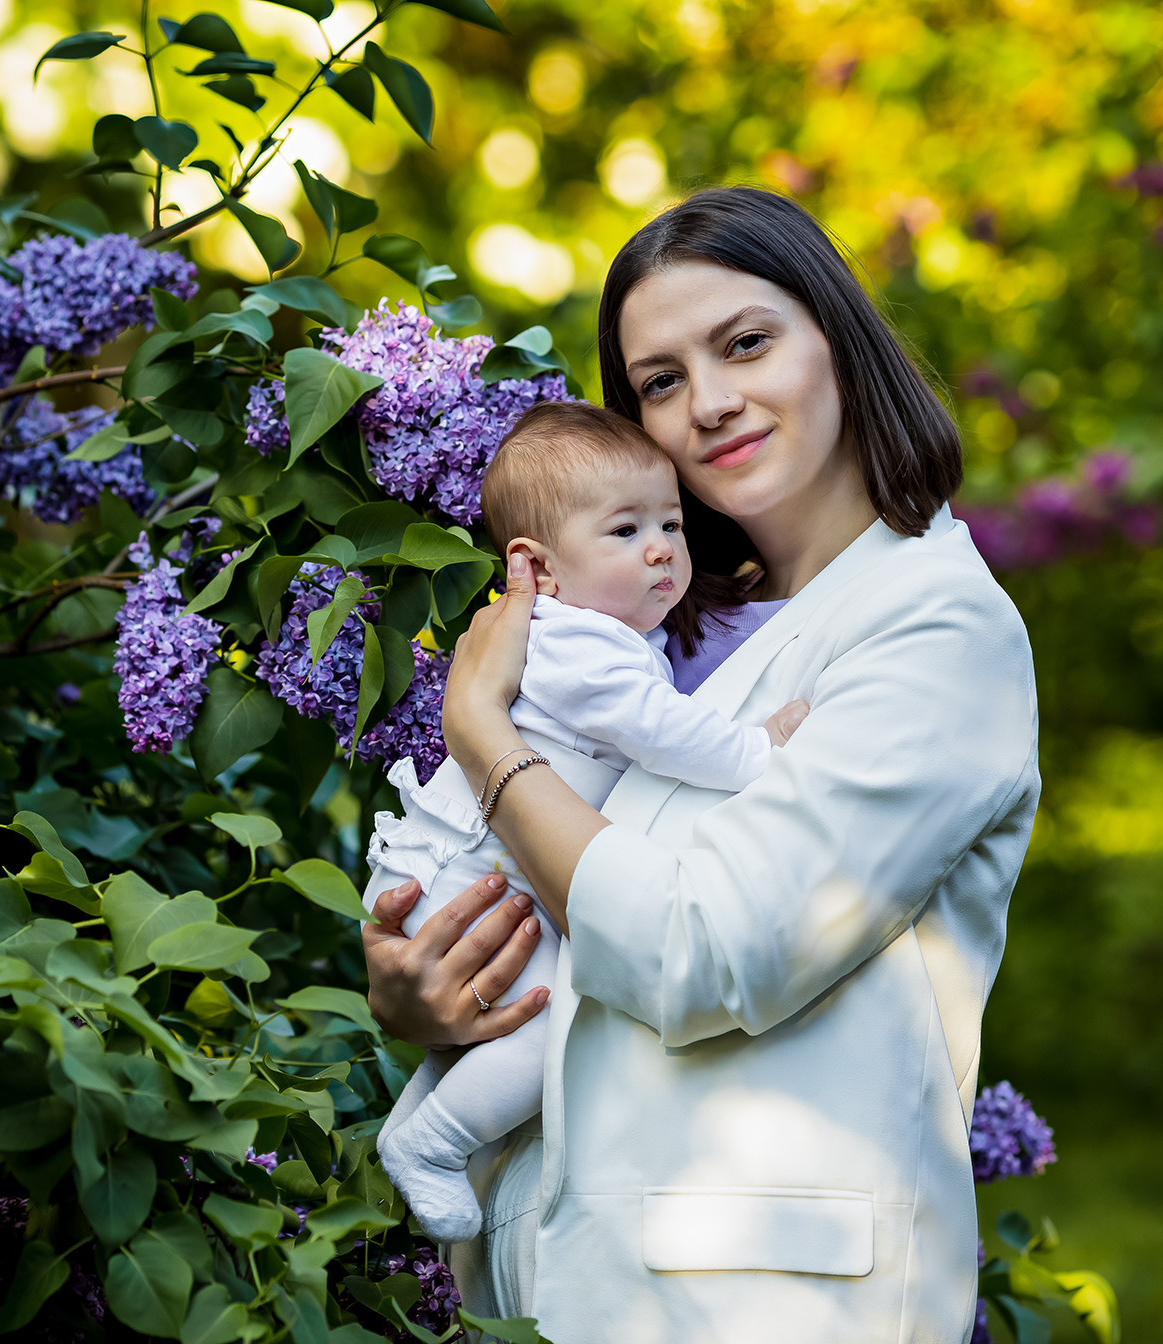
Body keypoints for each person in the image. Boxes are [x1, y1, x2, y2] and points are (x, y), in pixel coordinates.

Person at [361, 187, 1041, 1344]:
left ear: (838, 338)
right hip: (552, 1289)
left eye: (746, 343)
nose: (711, 402)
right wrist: (426, 994)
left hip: (760, 1306)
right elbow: (563, 934)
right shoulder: (644, 615)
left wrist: (484, 738)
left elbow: (710, 949)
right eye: (661, 382)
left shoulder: (936, 628)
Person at [366, 401, 809, 1242]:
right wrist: (761, 752)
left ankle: (411, 1126)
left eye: (672, 524)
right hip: (473, 876)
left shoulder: (589, 636)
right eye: (625, 531)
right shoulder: (578, 642)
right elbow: (661, 731)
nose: (661, 549)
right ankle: (435, 1143)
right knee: (553, 1022)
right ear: (538, 567)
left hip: (480, 871)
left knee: (517, 1020)